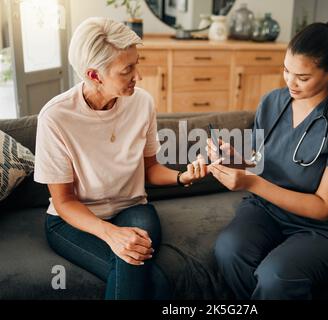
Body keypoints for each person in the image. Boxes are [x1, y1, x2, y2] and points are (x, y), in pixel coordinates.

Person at [34, 17, 208, 300]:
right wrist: (110, 234)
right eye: (127, 70)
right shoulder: (56, 118)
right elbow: (64, 202)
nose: (137, 76)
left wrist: (181, 176)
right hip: (73, 221)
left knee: (135, 265)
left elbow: (150, 169)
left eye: (136, 64)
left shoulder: (142, 103)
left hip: (132, 207)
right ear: (94, 75)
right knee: (153, 281)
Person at [207, 15, 328, 299]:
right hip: (265, 209)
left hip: (319, 228)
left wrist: (250, 182)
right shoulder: (273, 101)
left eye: (303, 77)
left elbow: (324, 207)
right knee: (228, 249)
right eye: (286, 71)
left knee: (276, 277)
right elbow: (261, 160)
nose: (291, 83)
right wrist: (237, 158)